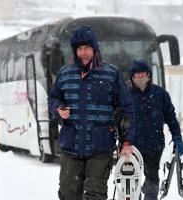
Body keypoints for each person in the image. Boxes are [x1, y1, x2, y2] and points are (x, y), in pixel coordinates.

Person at [48, 26, 135, 200]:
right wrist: (58, 109)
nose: (83, 52)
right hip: (71, 146)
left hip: (100, 147)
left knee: (95, 194)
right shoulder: (65, 74)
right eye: (79, 48)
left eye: (87, 47)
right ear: (75, 50)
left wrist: (127, 141)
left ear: (95, 48)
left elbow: (126, 109)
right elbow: (52, 99)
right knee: (68, 194)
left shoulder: (111, 74)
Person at [128, 59, 183, 200]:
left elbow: (171, 117)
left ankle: (150, 197)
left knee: (152, 176)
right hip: (131, 146)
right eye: (137, 74)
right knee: (131, 178)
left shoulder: (160, 94)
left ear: (149, 74)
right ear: (132, 77)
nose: (140, 76)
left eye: (143, 73)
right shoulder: (125, 95)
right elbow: (117, 119)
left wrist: (177, 137)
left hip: (154, 145)